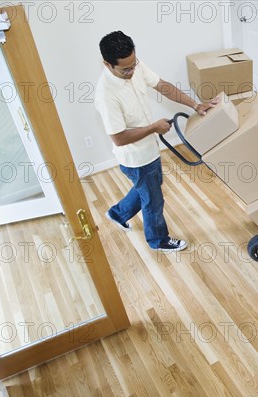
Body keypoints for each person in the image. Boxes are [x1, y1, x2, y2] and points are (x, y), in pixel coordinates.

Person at [95, 31, 216, 252]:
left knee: (149, 187)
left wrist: (195, 105)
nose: (132, 71)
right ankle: (158, 240)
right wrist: (154, 127)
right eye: (126, 69)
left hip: (149, 149)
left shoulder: (135, 66)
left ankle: (117, 213)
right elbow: (119, 138)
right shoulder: (106, 94)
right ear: (107, 64)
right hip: (135, 157)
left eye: (134, 64)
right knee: (153, 200)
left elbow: (163, 86)